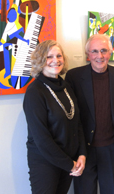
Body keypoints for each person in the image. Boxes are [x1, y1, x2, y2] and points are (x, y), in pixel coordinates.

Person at [65, 34, 114, 194]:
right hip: (84, 150)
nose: (99, 56)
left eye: (104, 51)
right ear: (88, 55)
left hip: (112, 149)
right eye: (94, 51)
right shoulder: (74, 77)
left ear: (110, 52)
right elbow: (71, 116)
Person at [23, 40, 86, 194]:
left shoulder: (65, 86)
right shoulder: (34, 92)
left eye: (59, 55)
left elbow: (77, 124)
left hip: (69, 161)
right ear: (40, 60)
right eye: (49, 57)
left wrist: (82, 154)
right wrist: (70, 164)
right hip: (45, 163)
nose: (55, 60)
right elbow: (42, 139)